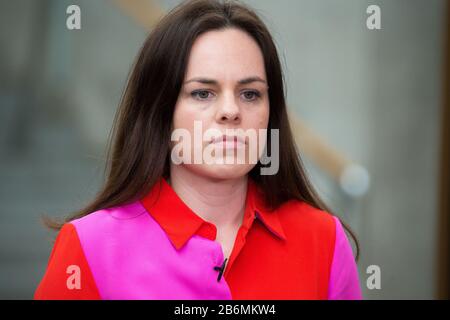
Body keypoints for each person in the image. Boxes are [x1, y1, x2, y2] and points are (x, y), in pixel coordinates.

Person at [34, 0, 362, 300]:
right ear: (163, 111)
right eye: (203, 93)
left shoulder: (323, 240)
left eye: (250, 94)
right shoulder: (89, 248)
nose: (231, 110)